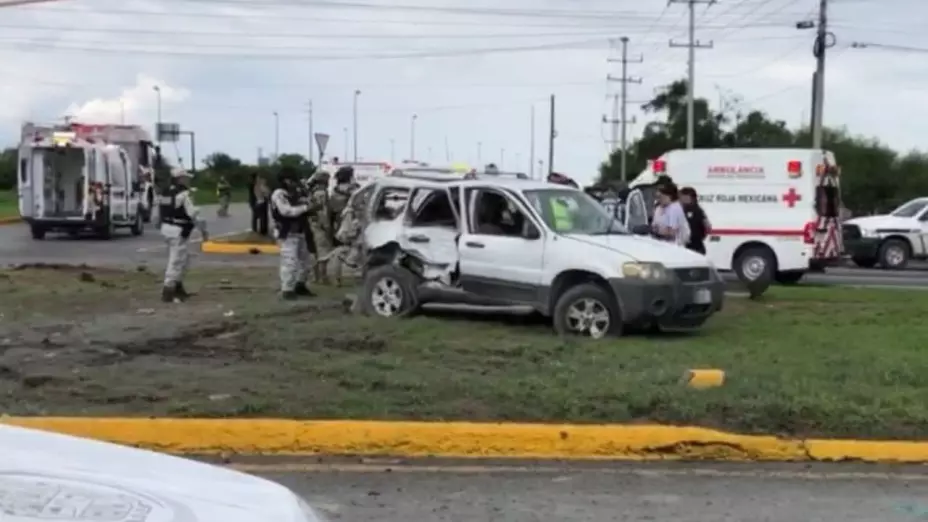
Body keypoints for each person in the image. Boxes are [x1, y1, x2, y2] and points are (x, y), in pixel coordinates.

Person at [159, 167, 207, 303]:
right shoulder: (184, 194)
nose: (188, 180)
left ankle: (178, 287)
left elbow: (159, 212)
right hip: (178, 230)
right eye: (186, 178)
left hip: (167, 229)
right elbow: (193, 213)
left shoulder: (165, 193)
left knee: (183, 259)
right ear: (180, 179)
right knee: (177, 260)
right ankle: (168, 290)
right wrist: (203, 230)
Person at [270, 166, 314, 299]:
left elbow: (306, 204)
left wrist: (309, 204)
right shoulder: (279, 194)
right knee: (290, 261)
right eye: (292, 180)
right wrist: (306, 208)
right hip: (287, 232)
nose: (295, 183)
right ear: (286, 180)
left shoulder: (297, 192)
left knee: (306, 261)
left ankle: (300, 284)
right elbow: (286, 211)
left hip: (301, 230)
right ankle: (287, 289)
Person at [306, 170, 332, 284]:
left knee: (314, 252)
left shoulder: (312, 192)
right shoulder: (321, 193)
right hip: (319, 225)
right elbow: (322, 211)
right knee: (323, 251)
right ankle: (323, 277)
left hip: (311, 223)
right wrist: (326, 226)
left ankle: (315, 276)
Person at [651, 182, 690, 246]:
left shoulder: (674, 208)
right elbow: (654, 226)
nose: (658, 200)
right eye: (657, 197)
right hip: (659, 243)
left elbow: (672, 232)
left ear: (669, 196)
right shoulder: (659, 208)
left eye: (660, 197)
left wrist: (656, 231)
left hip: (673, 245)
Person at [680, 186, 711, 254]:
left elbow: (708, 226)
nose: (681, 199)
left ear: (692, 198)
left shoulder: (697, 210)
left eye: (684, 197)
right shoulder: (678, 209)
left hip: (695, 246)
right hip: (683, 246)